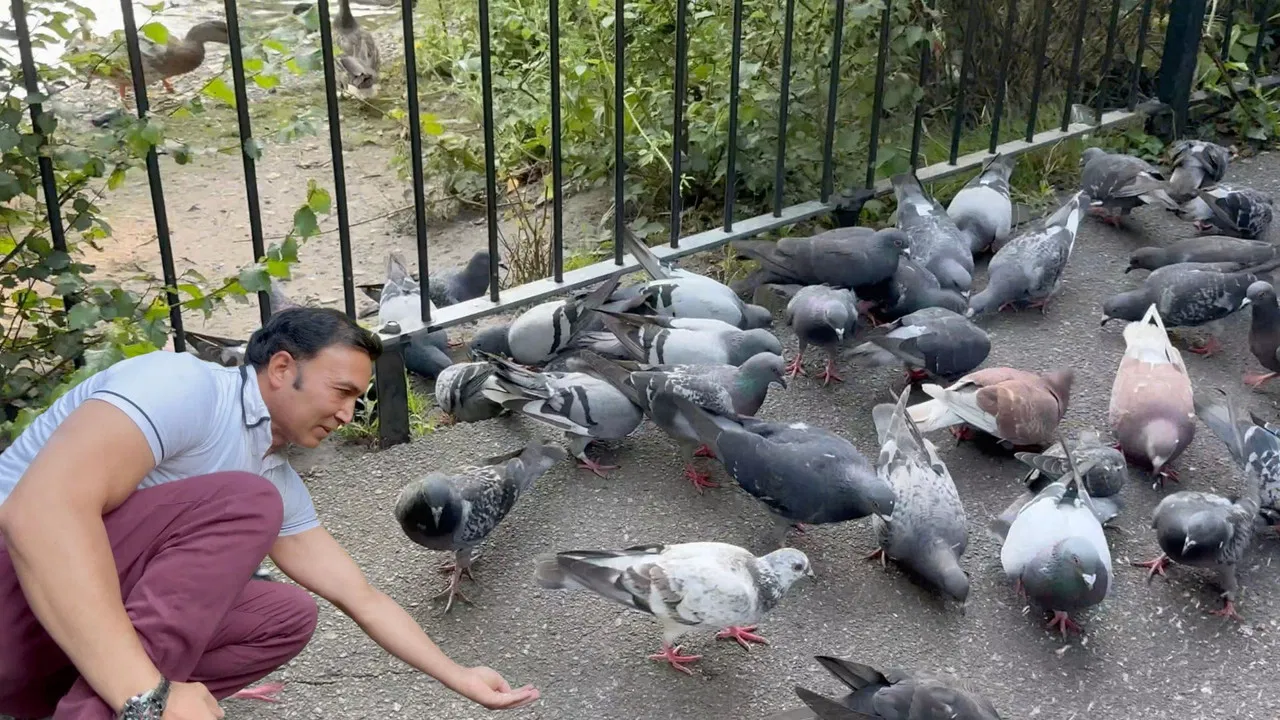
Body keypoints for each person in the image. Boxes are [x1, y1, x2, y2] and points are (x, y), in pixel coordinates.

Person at [0, 307, 539, 719]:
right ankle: (133, 704)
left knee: (285, 617)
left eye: (359, 400)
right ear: (282, 368)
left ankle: (83, 704)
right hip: (14, 587)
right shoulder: (181, 388)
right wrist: (148, 695)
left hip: (46, 639)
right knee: (247, 504)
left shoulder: (269, 472)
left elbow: (363, 598)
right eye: (342, 391)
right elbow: (38, 513)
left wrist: (459, 676)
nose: (350, 414)